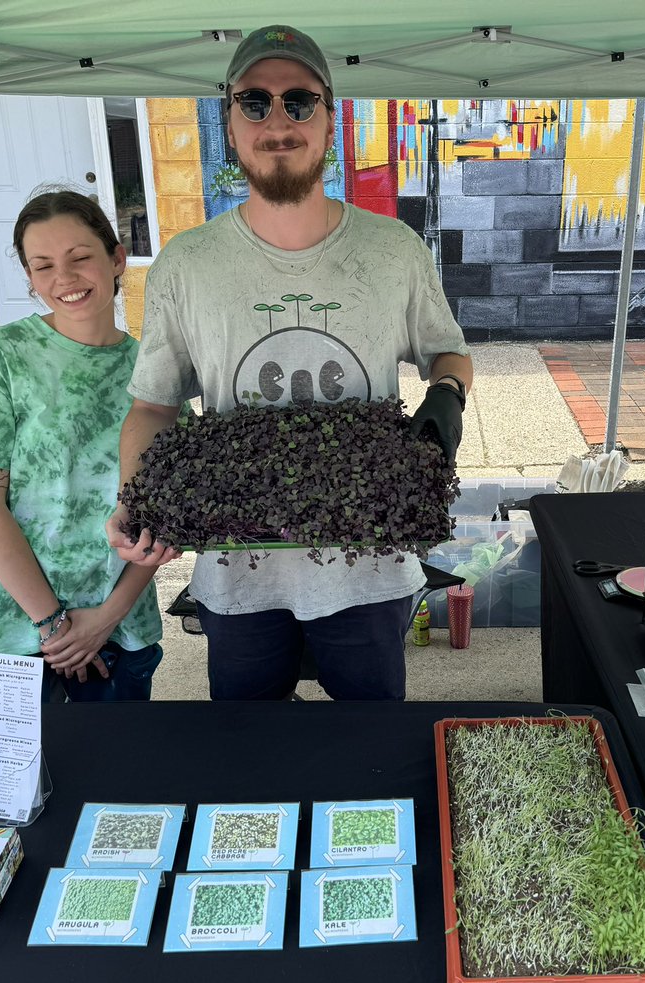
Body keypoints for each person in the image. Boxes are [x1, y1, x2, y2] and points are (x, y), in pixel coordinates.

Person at [106, 25, 473, 703]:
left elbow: (446, 350)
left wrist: (447, 394)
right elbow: (153, 406)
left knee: (370, 745)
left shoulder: (393, 251)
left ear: (331, 121)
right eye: (255, 102)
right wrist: (136, 501)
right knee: (251, 755)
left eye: (299, 102)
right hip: (239, 579)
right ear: (229, 122)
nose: (278, 121)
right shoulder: (186, 265)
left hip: (369, 571)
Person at [0, 191, 164, 704]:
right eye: (43, 265)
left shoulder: (156, 375)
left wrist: (105, 618)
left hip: (115, 623)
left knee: (113, 780)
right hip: (5, 623)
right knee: (1, 780)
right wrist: (52, 625)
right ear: (29, 277)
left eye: (80, 258)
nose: (65, 279)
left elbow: (166, 516)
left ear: (116, 258)